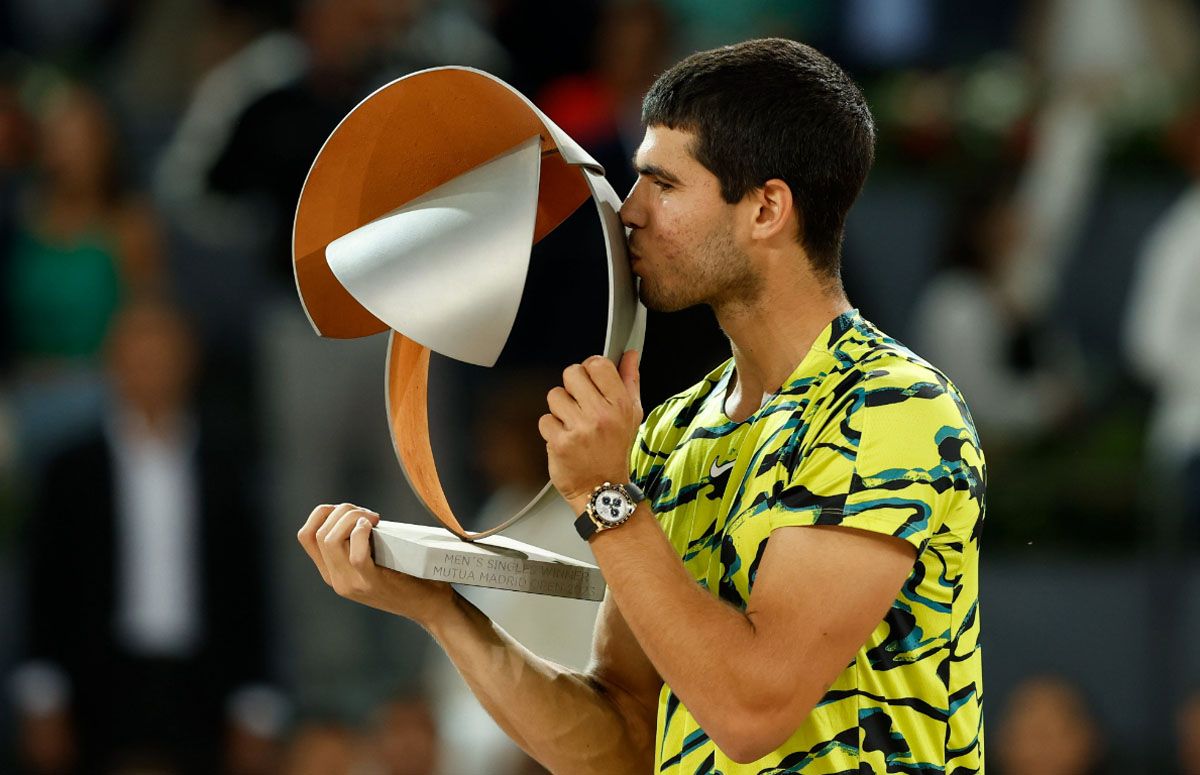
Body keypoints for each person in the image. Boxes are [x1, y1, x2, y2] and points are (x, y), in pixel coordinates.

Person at [298, 38, 985, 772]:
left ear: (766, 209)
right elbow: (625, 740)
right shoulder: (671, 429)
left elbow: (751, 711)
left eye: (663, 184)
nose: (629, 211)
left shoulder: (890, 407)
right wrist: (441, 609)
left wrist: (604, 495)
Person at [14, 299, 281, 774]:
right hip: (96, 676)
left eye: (164, 352)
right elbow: (46, 584)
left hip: (202, 679)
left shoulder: (226, 465)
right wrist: (40, 696)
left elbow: (247, 586)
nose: (151, 366)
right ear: (113, 362)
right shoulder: (71, 470)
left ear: (189, 360)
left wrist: (256, 702)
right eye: (138, 352)